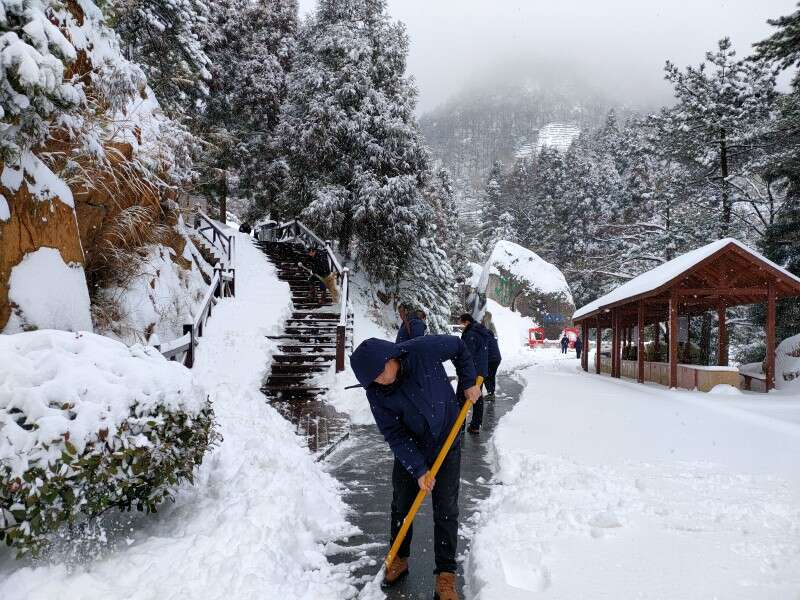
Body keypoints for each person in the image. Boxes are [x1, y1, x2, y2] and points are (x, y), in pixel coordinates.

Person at [350, 336, 482, 600]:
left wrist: (468, 382)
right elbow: (394, 434)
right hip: (412, 448)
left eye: (380, 373)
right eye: (372, 379)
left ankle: (445, 574)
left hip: (447, 440)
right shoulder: (376, 392)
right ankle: (399, 557)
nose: (379, 381)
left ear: (390, 357)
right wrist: (419, 469)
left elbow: (459, 347)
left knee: (446, 509)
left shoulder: (421, 351)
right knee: (402, 504)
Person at [458, 314, 489, 434]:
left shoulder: (470, 334)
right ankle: (475, 426)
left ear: (466, 322)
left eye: (461, 324)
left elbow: (466, 354)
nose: (461, 327)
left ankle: (459, 427)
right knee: (477, 398)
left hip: (470, 371)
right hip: (480, 371)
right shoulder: (480, 332)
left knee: (461, 398)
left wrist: (462, 369)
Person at [484, 327, 502, 400]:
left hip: (491, 360)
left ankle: (491, 394)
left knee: (486, 376)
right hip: (497, 359)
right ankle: (491, 393)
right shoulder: (492, 338)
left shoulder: (485, 338)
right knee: (491, 376)